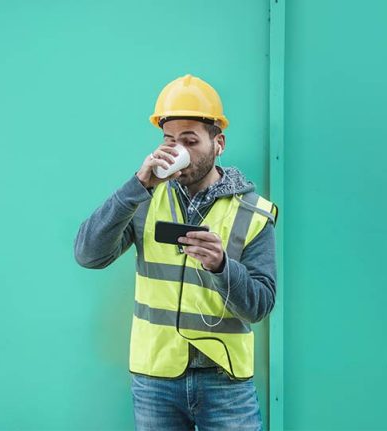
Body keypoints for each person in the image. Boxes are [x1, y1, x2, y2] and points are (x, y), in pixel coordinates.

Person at [74, 74, 278, 431]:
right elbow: (89, 255)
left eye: (190, 140)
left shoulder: (254, 213)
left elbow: (259, 306)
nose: (176, 148)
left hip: (225, 380)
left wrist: (221, 266)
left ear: (219, 144)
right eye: (169, 139)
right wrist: (136, 186)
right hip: (156, 378)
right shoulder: (142, 201)